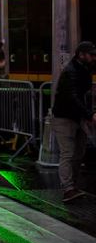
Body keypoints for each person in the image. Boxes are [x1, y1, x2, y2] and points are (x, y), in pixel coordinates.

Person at [52, 41, 96, 203]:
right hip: (64, 117)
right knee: (68, 153)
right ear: (81, 54)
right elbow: (73, 97)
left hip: (78, 117)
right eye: (91, 55)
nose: (93, 58)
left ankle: (73, 186)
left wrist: (88, 114)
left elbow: (85, 95)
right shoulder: (71, 72)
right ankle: (68, 188)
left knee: (78, 153)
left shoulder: (84, 70)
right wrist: (89, 114)